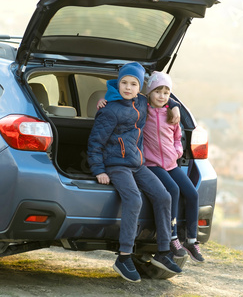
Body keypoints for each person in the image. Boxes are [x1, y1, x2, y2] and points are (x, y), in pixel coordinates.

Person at [87, 62, 182, 283]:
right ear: (118, 83)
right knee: (134, 199)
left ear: (140, 88)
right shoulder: (109, 109)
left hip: (137, 163)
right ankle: (124, 256)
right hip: (116, 164)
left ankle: (163, 252)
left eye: (133, 84)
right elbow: (94, 143)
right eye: (124, 83)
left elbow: (160, 97)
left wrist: (175, 104)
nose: (128, 87)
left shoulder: (141, 102)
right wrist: (99, 169)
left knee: (163, 196)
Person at [143, 71, 205, 262]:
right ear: (150, 92)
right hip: (152, 164)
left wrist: (177, 152)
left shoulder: (171, 113)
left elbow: (178, 138)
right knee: (173, 190)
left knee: (192, 194)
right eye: (158, 92)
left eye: (166, 93)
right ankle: (172, 236)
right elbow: (126, 98)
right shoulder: (143, 111)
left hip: (171, 163)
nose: (162, 96)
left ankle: (191, 240)